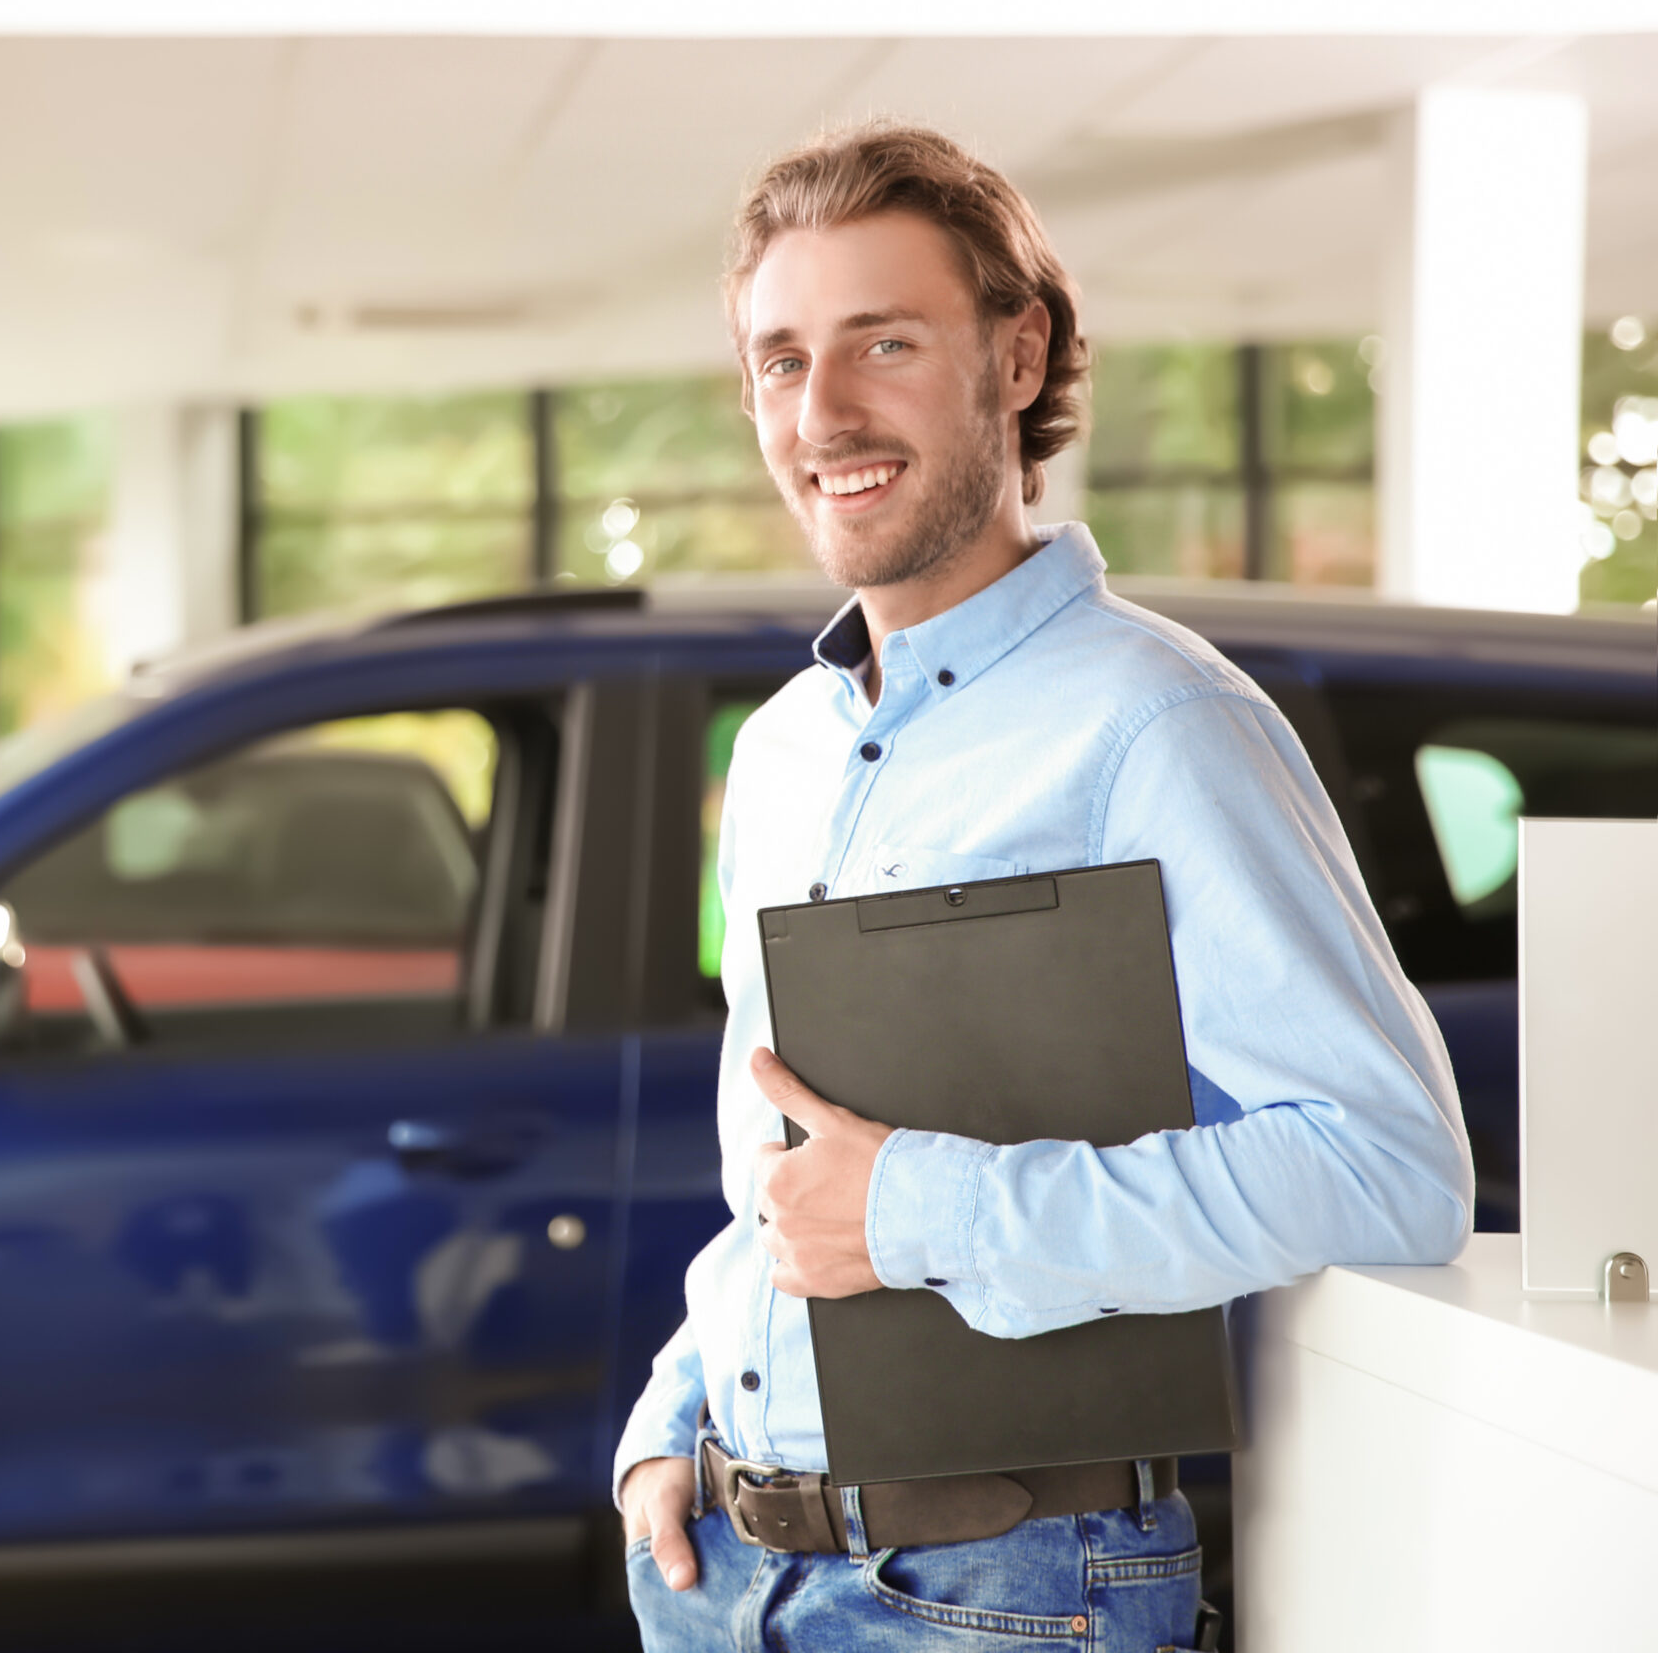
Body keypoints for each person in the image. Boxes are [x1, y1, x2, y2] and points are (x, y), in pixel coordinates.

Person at [615, 124, 1471, 1648]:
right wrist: (673, 1411)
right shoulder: (786, 751)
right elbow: (793, 1176)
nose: (822, 411)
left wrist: (931, 1209)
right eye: (779, 358)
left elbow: (1389, 1167)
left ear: (1019, 360)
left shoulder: (1158, 724)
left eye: (882, 341)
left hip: (997, 1595)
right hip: (722, 1575)